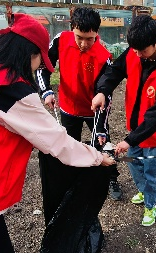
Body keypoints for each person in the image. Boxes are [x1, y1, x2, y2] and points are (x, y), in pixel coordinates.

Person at [0, 13, 114, 253]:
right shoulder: (8, 88)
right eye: (40, 60)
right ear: (30, 53)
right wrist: (98, 158)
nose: (39, 66)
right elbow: (56, 140)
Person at [91, 15, 156, 227]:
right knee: (133, 164)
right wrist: (103, 91)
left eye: (143, 51)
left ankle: (151, 205)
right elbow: (114, 71)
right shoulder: (135, 52)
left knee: (152, 170)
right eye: (134, 50)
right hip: (133, 129)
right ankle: (144, 192)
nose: (138, 55)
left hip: (154, 135)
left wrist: (129, 140)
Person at [36, 7, 122, 201]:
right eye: (79, 37)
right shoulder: (60, 40)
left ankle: (111, 178)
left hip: (93, 111)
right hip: (68, 107)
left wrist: (100, 127)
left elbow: (105, 95)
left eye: (89, 38)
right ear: (72, 28)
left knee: (104, 144)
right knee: (69, 144)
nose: (84, 44)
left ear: (97, 33)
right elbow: (43, 67)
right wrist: (46, 91)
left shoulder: (103, 56)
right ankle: (72, 178)